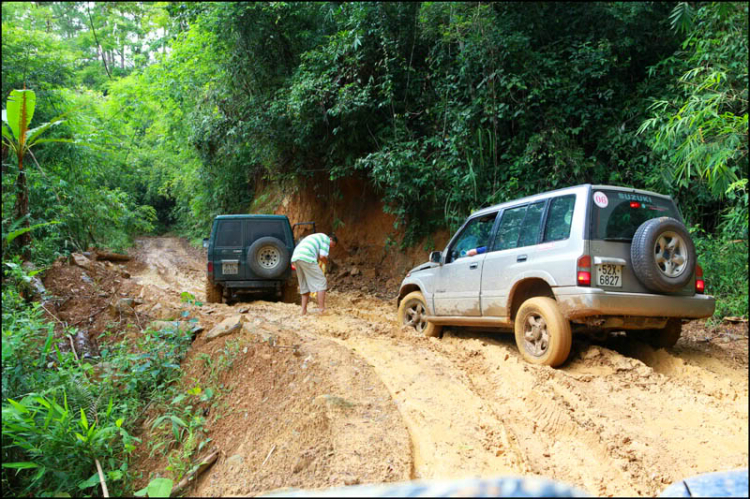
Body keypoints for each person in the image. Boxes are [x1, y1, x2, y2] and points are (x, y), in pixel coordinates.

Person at [291, 233, 337, 315]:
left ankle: (303, 311)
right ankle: (322, 310)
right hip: (307, 257)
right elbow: (322, 257)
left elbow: (319, 256)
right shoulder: (326, 239)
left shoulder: (316, 237)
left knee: (304, 284)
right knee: (321, 281)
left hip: (296, 257)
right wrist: (326, 263)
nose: (330, 248)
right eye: (331, 245)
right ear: (331, 239)